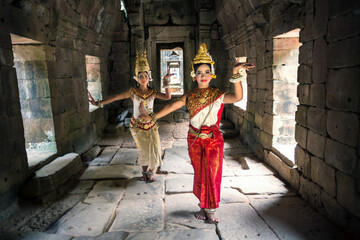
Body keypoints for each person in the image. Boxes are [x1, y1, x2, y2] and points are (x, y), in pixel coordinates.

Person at [139, 43, 254, 223]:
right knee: (200, 174)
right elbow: (172, 106)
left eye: (206, 72)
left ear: (212, 74)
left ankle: (211, 209)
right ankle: (203, 203)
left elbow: (238, 97)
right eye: (199, 72)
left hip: (213, 140)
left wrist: (236, 74)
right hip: (194, 139)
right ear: (194, 75)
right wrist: (153, 116)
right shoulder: (190, 95)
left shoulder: (217, 94)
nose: (203, 76)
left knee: (212, 173)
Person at [89, 50, 173, 182]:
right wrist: (98, 103)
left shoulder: (153, 92)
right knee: (143, 150)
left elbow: (168, 97)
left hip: (151, 125)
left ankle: (151, 172)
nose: (143, 78)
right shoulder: (133, 92)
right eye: (140, 76)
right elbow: (116, 97)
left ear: (149, 77)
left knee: (156, 149)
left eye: (145, 75)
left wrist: (166, 81)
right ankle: (145, 173)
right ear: (136, 78)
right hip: (137, 127)